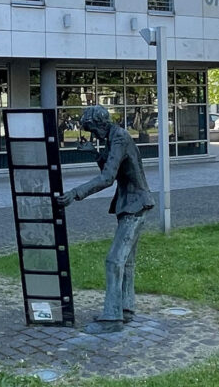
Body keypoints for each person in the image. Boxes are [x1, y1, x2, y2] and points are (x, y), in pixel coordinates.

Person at [57, 105, 154, 335]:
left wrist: (75, 193)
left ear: (101, 123)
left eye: (92, 130)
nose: (93, 135)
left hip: (135, 204)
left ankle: (112, 317)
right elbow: (115, 168)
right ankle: (125, 307)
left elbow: (108, 178)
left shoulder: (118, 137)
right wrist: (94, 152)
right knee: (127, 262)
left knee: (114, 261)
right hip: (131, 203)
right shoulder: (114, 135)